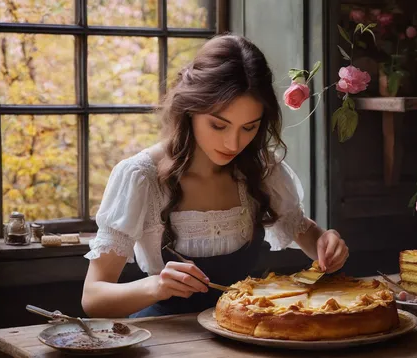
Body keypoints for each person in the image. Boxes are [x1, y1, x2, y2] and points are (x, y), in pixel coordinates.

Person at [82, 34, 349, 319]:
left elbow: (302, 230)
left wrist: (326, 242)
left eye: (249, 128)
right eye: (219, 125)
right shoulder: (141, 177)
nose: (233, 144)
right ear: (190, 109)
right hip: (168, 335)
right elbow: (94, 298)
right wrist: (155, 286)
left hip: (246, 326)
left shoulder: (261, 169)